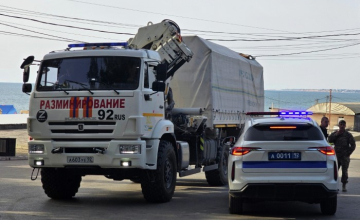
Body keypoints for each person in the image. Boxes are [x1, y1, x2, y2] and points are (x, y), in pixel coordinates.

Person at [328, 120, 356, 192]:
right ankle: (335, 185)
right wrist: (336, 134)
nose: (342, 126)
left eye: (343, 124)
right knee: (335, 171)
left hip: (344, 156)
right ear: (339, 125)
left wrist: (348, 153)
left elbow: (353, 145)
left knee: (344, 171)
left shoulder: (348, 135)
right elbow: (329, 140)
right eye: (341, 124)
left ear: (345, 126)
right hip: (336, 156)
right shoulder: (335, 133)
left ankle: (344, 185)